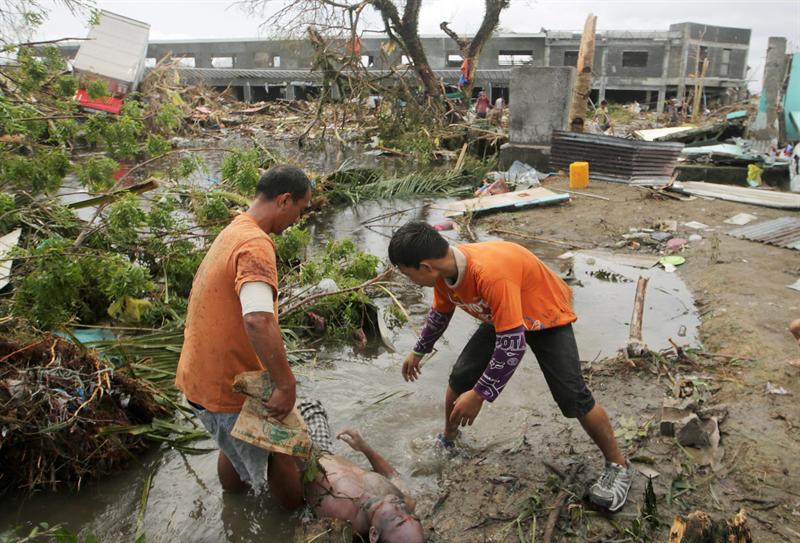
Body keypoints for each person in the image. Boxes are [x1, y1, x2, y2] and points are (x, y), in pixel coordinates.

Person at [388, 222, 634, 512]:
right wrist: (418, 351)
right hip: (502, 316)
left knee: (572, 396)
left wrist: (479, 395)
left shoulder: (489, 275)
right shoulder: (443, 275)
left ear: (426, 266)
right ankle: (449, 441)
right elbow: (441, 313)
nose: (410, 280)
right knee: (459, 378)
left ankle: (618, 464)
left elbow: (512, 346)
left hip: (543, 313)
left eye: (408, 274)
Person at [175, 165, 312, 508]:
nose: (299, 218)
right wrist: (285, 384)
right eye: (301, 208)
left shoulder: (236, 228)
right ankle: (293, 523)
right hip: (227, 385)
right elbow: (258, 320)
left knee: (232, 443)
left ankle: (233, 509)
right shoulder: (254, 245)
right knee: (280, 452)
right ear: (284, 200)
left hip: (199, 381)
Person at [298, 402, 424, 543]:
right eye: (413, 517)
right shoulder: (401, 503)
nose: (400, 506)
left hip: (302, 457)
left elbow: (300, 472)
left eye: (397, 519)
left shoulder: (342, 516)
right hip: (326, 452)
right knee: (312, 406)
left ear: (374, 534)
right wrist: (364, 448)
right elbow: (392, 476)